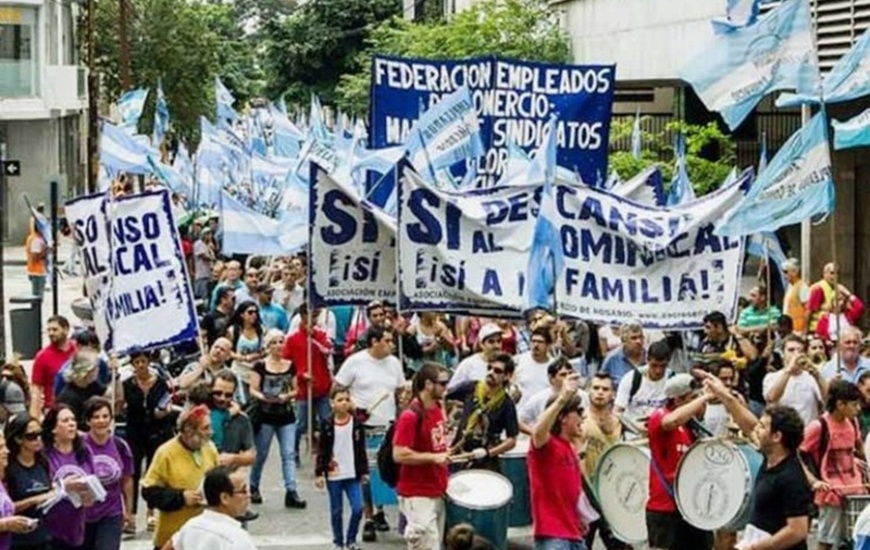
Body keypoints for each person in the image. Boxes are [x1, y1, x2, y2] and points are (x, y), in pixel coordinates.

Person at [335, 326, 405, 541]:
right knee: (365, 473)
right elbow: (336, 388)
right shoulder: (356, 362)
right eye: (387, 340)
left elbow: (400, 390)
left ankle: (380, 510)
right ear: (375, 342)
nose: (392, 345)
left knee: (384, 472)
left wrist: (402, 405)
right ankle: (368, 518)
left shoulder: (394, 363)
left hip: (388, 426)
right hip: (363, 427)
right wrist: (353, 407)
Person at [645, 373, 712, 550]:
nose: (699, 404)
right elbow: (671, 421)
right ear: (678, 400)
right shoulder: (660, 416)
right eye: (693, 399)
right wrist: (705, 397)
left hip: (692, 507)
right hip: (664, 508)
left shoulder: (692, 427)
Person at [141, 405, 220, 550]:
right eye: (206, 428)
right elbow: (149, 491)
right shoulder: (165, 453)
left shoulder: (210, 448)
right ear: (189, 431)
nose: (211, 432)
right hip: (171, 537)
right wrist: (181, 497)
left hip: (203, 537)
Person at [800, 380, 866, 550]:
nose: (858, 409)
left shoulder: (853, 422)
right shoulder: (819, 426)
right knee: (827, 541)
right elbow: (796, 455)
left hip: (855, 490)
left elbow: (857, 447)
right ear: (840, 404)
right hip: (831, 493)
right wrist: (814, 481)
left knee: (856, 538)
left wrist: (859, 462)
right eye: (854, 404)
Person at [738, 405, 812, 550]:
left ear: (776, 437)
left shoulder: (791, 478)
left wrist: (756, 548)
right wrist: (723, 396)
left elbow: (798, 530)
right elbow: (747, 425)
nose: (756, 430)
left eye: (762, 427)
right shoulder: (769, 458)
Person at [393, 363, 450, 550]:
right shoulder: (410, 416)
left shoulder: (438, 408)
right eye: (442, 383)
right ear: (428, 384)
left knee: (435, 544)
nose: (446, 387)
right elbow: (399, 454)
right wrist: (433, 458)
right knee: (427, 545)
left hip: (437, 488)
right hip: (417, 493)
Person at [528, 367, 586, 550]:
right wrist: (562, 398)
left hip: (574, 533)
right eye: (579, 412)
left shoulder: (570, 448)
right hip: (553, 536)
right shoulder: (546, 445)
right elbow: (537, 432)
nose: (583, 417)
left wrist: (579, 517)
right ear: (562, 417)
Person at [121, 349, 175, 535]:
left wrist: (164, 411)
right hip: (135, 432)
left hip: (156, 432)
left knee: (153, 472)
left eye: (143, 361)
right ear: (133, 365)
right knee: (133, 472)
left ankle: (151, 511)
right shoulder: (127, 385)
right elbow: (120, 404)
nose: (141, 365)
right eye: (137, 362)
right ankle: (131, 514)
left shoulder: (160, 383)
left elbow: (167, 401)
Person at [249, 330, 305, 508]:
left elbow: (296, 389)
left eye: (281, 341)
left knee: (288, 453)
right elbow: (253, 388)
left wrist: (287, 396)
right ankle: (254, 485)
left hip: (286, 414)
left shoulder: (290, 365)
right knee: (261, 453)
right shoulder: (260, 366)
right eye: (274, 342)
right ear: (268, 346)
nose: (279, 345)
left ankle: (291, 491)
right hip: (265, 415)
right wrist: (264, 397)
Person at [314, 385, 368, 550]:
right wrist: (319, 473)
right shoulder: (327, 424)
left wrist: (364, 471)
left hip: (352, 472)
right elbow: (322, 449)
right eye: (340, 400)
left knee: (358, 507)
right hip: (334, 474)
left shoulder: (356, 424)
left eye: (347, 399)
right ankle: (338, 541)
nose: (344, 403)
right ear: (332, 403)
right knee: (336, 510)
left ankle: (351, 539)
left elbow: (361, 449)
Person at [446, 353, 518, 470]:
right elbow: (444, 396)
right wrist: (445, 419)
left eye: (497, 371)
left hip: (486, 461)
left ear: (507, 376)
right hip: (458, 454)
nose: (491, 372)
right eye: (489, 368)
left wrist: (488, 453)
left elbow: (512, 440)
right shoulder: (471, 387)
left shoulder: (506, 403)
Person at [282, 304, 333, 465]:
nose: (315, 319)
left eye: (317, 315)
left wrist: (316, 341)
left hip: (322, 386)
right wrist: (300, 375)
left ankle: (327, 454)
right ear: (303, 316)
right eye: (313, 315)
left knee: (326, 421)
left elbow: (328, 350)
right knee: (301, 424)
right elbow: (286, 364)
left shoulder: (321, 335)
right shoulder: (292, 340)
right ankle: (293, 453)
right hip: (303, 389)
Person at [581, 373, 627, 550]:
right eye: (596, 388)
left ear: (613, 394)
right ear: (588, 391)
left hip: (612, 493)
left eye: (605, 389)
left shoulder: (621, 422)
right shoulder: (580, 420)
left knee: (619, 544)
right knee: (583, 544)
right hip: (586, 493)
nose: (600, 392)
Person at [42, 404, 97, 550]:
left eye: (73, 420)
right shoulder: (44, 454)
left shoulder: (84, 451)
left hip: (78, 523)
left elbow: (93, 480)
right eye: (65, 421)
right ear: (53, 428)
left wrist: (90, 495)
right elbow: (40, 490)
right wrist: (63, 486)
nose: (72, 424)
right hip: (50, 527)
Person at [162, 466, 256, 550]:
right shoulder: (237, 538)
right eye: (244, 491)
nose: (249, 495)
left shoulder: (191, 525)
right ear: (224, 498)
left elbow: (170, 546)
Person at [82, 397, 134, 550]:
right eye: (96, 417)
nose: (101, 421)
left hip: (111, 511)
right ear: (88, 421)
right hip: (83, 514)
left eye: (105, 416)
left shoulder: (120, 445)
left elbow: (127, 479)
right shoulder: (79, 445)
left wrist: (128, 511)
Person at [5, 415, 53, 550]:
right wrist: (34, 500)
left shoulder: (43, 462)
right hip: (18, 541)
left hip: (43, 535)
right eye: (32, 436)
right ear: (18, 439)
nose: (38, 439)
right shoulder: (9, 468)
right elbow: (7, 507)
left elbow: (48, 492)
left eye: (40, 434)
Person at [763, 335, 824, 427]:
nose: (796, 354)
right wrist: (789, 370)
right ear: (782, 354)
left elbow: (827, 399)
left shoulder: (812, 377)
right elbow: (772, 398)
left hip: (808, 431)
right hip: (783, 432)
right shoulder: (771, 377)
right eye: (791, 350)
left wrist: (817, 375)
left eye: (800, 351)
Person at [518, 358, 590, 435]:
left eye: (570, 373)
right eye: (563, 375)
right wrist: (536, 434)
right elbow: (519, 421)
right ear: (551, 379)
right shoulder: (539, 398)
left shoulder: (583, 396)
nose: (568, 377)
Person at [614, 340, 671, 421]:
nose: (658, 371)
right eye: (654, 365)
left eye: (663, 366)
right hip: (633, 424)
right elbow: (617, 411)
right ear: (647, 360)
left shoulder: (672, 379)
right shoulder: (631, 378)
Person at [31, 316, 77, 411]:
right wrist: (34, 414)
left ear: (66, 329)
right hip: (54, 409)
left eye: (55, 330)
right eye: (49, 330)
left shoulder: (78, 350)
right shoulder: (42, 356)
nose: (51, 333)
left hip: (79, 406)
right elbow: (36, 388)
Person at [226, 301, 265, 403]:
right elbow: (228, 350)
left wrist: (257, 355)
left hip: (255, 371)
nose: (254, 315)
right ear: (242, 314)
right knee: (241, 400)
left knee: (255, 401)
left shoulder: (260, 330)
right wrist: (241, 357)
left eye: (256, 312)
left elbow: (266, 349)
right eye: (250, 312)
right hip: (239, 370)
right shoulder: (233, 330)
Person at [447, 323, 505, 391]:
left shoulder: (506, 364)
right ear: (481, 344)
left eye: (499, 341)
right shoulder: (468, 364)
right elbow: (451, 389)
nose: (496, 346)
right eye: (491, 342)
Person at [512, 328, 555, 411]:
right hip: (520, 411)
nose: (536, 345)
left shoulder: (554, 366)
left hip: (543, 412)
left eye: (540, 342)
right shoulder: (518, 361)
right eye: (533, 341)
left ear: (548, 345)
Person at [600, 321, 645, 385]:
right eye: (634, 338)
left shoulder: (649, 357)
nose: (639, 341)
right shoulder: (611, 359)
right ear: (624, 341)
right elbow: (601, 383)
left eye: (641, 337)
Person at [806, 263, 839, 334]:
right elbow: (809, 311)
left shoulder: (835, 288)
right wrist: (805, 331)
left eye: (837, 273)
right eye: (832, 273)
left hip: (829, 328)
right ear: (824, 274)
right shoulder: (818, 288)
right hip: (816, 329)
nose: (835, 276)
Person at [782, 258, 810, 335]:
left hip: (798, 329)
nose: (784, 275)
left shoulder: (802, 286)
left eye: (786, 272)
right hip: (789, 328)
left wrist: (804, 330)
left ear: (794, 272)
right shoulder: (790, 286)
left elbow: (807, 310)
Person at [192, 227, 217, 301]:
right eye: (208, 234)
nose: (210, 236)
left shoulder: (208, 245)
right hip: (201, 274)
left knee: (207, 295)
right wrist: (212, 259)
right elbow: (203, 256)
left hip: (209, 274)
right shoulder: (198, 244)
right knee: (201, 295)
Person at [24, 224, 47, 298]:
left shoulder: (33, 237)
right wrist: (46, 250)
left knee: (36, 296)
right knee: (37, 297)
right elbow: (35, 257)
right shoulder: (36, 240)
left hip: (35, 270)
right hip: (37, 272)